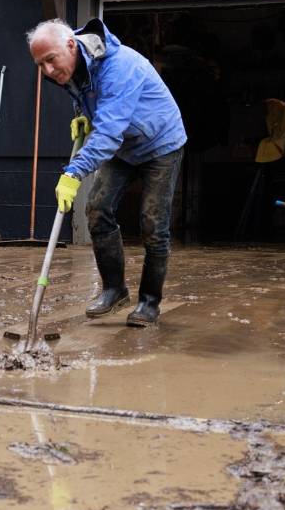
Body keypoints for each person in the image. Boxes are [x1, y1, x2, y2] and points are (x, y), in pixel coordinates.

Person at [27, 18, 187, 327]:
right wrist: (83, 116)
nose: (47, 70)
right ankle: (115, 290)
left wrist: (73, 173)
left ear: (71, 45)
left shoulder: (119, 66)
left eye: (50, 60)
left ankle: (149, 302)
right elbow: (89, 96)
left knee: (153, 223)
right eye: (40, 64)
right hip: (123, 144)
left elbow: (109, 133)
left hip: (161, 141)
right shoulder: (70, 66)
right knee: (98, 209)